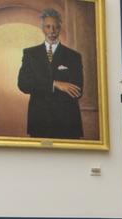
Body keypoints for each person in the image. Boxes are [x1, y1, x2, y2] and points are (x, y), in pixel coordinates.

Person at [16, 7, 83, 140]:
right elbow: (23, 85)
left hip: (67, 123)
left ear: (60, 28)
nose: (52, 31)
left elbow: (78, 91)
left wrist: (39, 86)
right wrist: (55, 84)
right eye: (48, 27)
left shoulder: (74, 56)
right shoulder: (30, 54)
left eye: (55, 27)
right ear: (42, 28)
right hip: (39, 122)